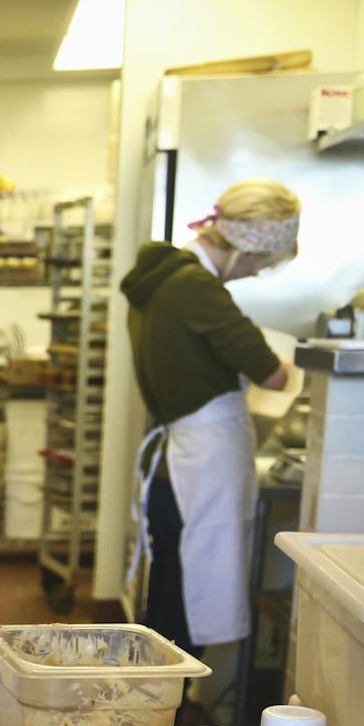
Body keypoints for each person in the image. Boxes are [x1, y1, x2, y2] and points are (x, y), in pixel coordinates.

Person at [119, 180, 298, 654]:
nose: (258, 273)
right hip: (198, 467)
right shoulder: (195, 288)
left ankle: (157, 718)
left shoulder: (160, 279)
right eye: (262, 261)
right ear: (244, 247)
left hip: (176, 464)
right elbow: (273, 376)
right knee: (183, 606)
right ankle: (169, 723)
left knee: (171, 599)